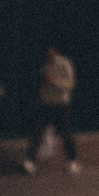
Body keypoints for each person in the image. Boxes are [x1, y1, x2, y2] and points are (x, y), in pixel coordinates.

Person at [18, 43, 78, 175]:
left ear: (54, 50)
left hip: (61, 104)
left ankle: (72, 161)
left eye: (49, 50)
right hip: (46, 104)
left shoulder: (64, 63)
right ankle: (29, 161)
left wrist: (54, 82)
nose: (47, 53)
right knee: (37, 132)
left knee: (66, 133)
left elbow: (70, 84)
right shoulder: (45, 65)